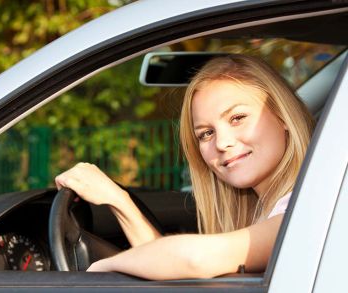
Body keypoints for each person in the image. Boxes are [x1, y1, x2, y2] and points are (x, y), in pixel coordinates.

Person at [54, 54, 314, 280]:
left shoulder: (306, 206)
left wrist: (100, 269)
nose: (222, 143)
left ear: (282, 117)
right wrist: (119, 201)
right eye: (206, 134)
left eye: (238, 118)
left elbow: (196, 259)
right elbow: (169, 265)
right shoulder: (265, 210)